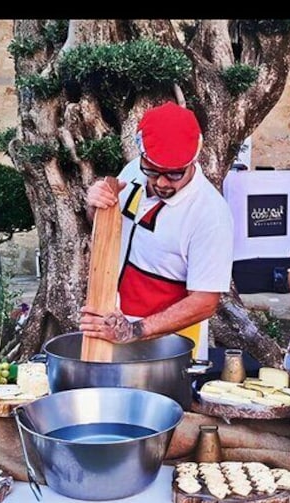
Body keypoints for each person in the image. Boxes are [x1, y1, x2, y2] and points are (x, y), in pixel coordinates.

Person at [80, 102, 234, 354]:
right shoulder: (133, 172)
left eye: (173, 174)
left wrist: (134, 331)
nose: (161, 182)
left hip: (169, 346)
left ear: (194, 160)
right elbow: (102, 226)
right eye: (152, 171)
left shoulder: (211, 215)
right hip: (112, 327)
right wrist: (95, 204)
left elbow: (205, 301)